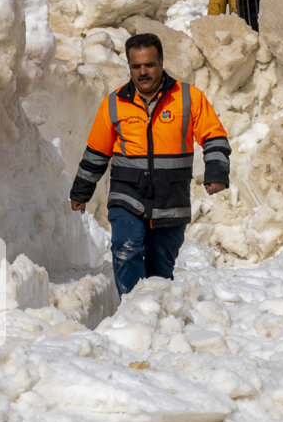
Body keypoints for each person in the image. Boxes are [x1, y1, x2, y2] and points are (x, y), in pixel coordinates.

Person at [69, 33, 230, 296]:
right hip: (127, 195)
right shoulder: (115, 102)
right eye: (136, 66)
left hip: (171, 199)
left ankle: (154, 315)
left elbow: (215, 137)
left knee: (160, 269)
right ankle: (132, 311)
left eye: (149, 65)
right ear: (130, 67)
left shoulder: (188, 98)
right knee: (126, 249)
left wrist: (216, 171)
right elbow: (96, 153)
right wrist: (80, 192)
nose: (143, 72)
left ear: (161, 63)